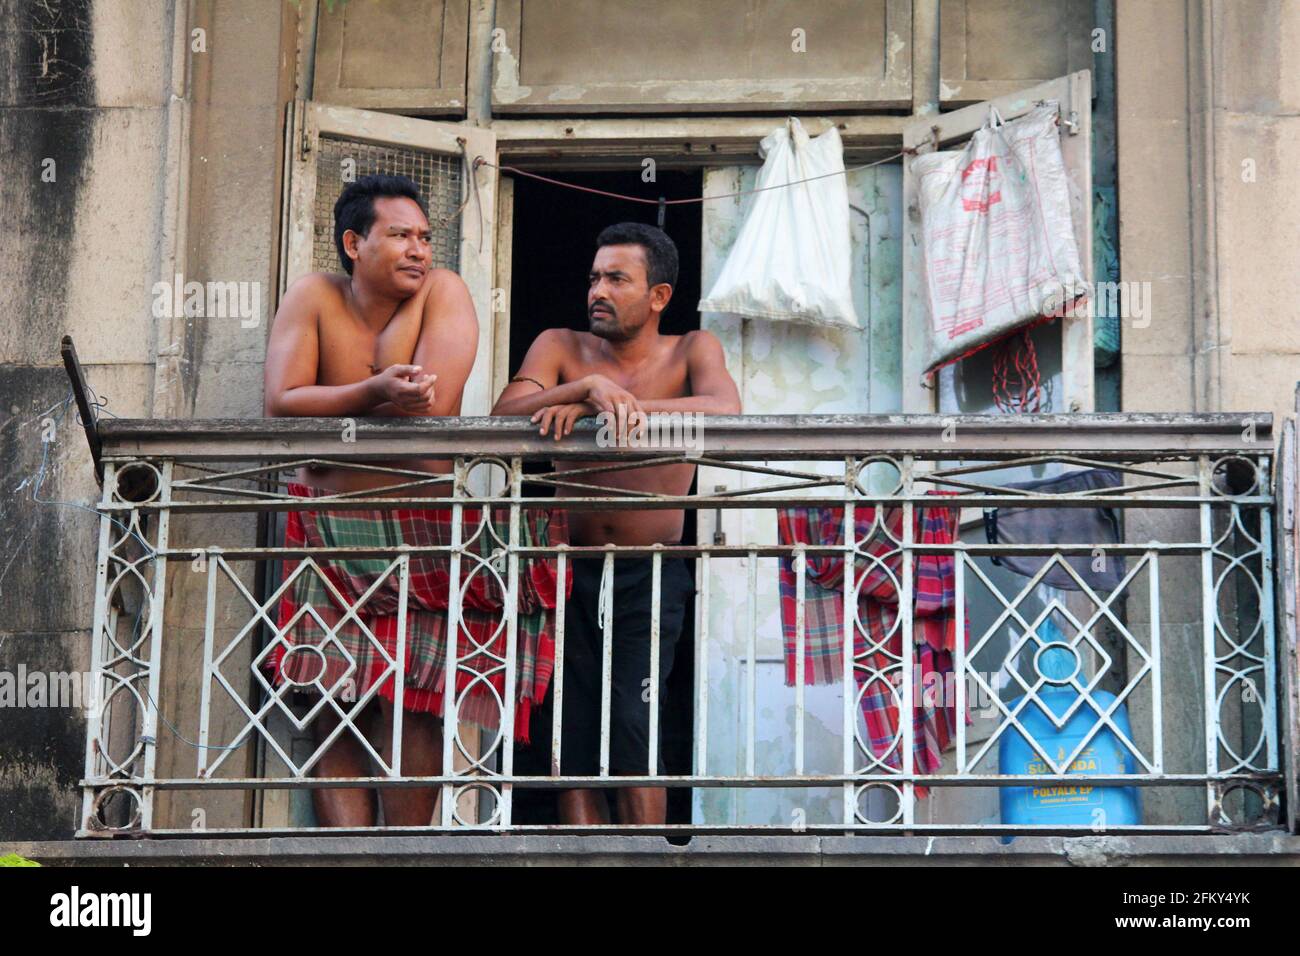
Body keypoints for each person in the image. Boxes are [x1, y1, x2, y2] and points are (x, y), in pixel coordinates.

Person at [492, 222, 741, 825]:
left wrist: (611, 407)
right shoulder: (560, 345)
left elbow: (725, 409)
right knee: (565, 731)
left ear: (658, 296)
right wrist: (583, 386)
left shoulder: (691, 349)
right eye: (594, 277)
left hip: (650, 572)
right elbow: (501, 416)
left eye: (616, 279)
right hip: (562, 567)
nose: (596, 290)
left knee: (635, 722)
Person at [263, 174, 478, 828]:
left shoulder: (446, 290)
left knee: (413, 700)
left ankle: (403, 852)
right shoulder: (314, 295)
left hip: (420, 531)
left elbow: (434, 402)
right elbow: (282, 400)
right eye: (401, 236)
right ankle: (346, 855)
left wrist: (388, 364)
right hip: (325, 529)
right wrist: (375, 389)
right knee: (332, 698)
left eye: (425, 238)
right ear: (354, 243)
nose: (419, 250)